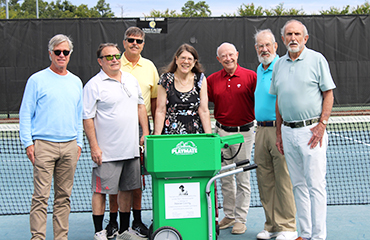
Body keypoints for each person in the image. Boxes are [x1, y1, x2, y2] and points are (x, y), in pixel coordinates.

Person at [270, 20, 336, 240]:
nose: (293, 38)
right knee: (298, 184)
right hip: (288, 133)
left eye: (297, 34)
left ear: (305, 38)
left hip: (312, 133)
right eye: (289, 34)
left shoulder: (317, 60)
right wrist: (279, 133)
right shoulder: (278, 65)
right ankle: (305, 233)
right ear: (283, 39)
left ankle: (318, 236)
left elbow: (329, 94)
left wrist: (322, 125)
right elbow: (279, 100)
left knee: (316, 185)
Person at [19, 34, 83, 240]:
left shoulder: (76, 82)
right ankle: (38, 237)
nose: (61, 55)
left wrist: (79, 144)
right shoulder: (36, 80)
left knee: (63, 198)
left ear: (70, 54)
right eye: (58, 52)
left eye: (65, 52)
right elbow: (25, 113)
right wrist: (28, 143)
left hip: (70, 146)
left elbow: (78, 115)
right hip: (43, 145)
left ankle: (60, 237)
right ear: (50, 54)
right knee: (40, 197)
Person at [83, 43, 149, 240]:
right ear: (100, 61)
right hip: (107, 152)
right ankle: (99, 232)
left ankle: (124, 230)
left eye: (116, 55)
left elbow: (140, 107)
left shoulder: (130, 79)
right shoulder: (93, 85)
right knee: (100, 192)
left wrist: (145, 132)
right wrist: (94, 146)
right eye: (108, 56)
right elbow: (87, 118)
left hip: (131, 150)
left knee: (128, 189)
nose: (114, 59)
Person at [207, 42, 256, 234]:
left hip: (244, 133)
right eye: (223, 56)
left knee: (242, 177)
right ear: (218, 59)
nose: (228, 58)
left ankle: (241, 218)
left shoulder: (251, 76)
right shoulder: (212, 80)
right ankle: (229, 215)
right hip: (221, 133)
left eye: (231, 54)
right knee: (225, 177)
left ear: (237, 54)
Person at [253, 29, 297, 240]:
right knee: (265, 180)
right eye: (260, 46)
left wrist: (281, 131)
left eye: (267, 45)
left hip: (279, 130)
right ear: (256, 48)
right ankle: (271, 226)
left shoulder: (282, 66)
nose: (264, 49)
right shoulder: (260, 69)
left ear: (275, 46)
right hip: (260, 130)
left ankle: (287, 227)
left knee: (283, 180)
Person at [117, 26, 160, 238]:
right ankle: (115, 223)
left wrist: (148, 129)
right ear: (124, 42)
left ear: (143, 44)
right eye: (130, 40)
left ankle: (137, 220)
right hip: (116, 130)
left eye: (139, 41)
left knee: (137, 178)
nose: (135, 44)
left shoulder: (150, 67)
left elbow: (153, 100)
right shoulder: (114, 63)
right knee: (115, 176)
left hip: (141, 130)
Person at [154, 43, 212, 135]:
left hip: (195, 134)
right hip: (170, 134)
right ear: (176, 60)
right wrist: (156, 137)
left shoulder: (200, 79)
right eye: (183, 58)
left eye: (190, 59)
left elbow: (204, 110)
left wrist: (209, 136)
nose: (186, 62)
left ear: (194, 62)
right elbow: (160, 110)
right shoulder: (166, 79)